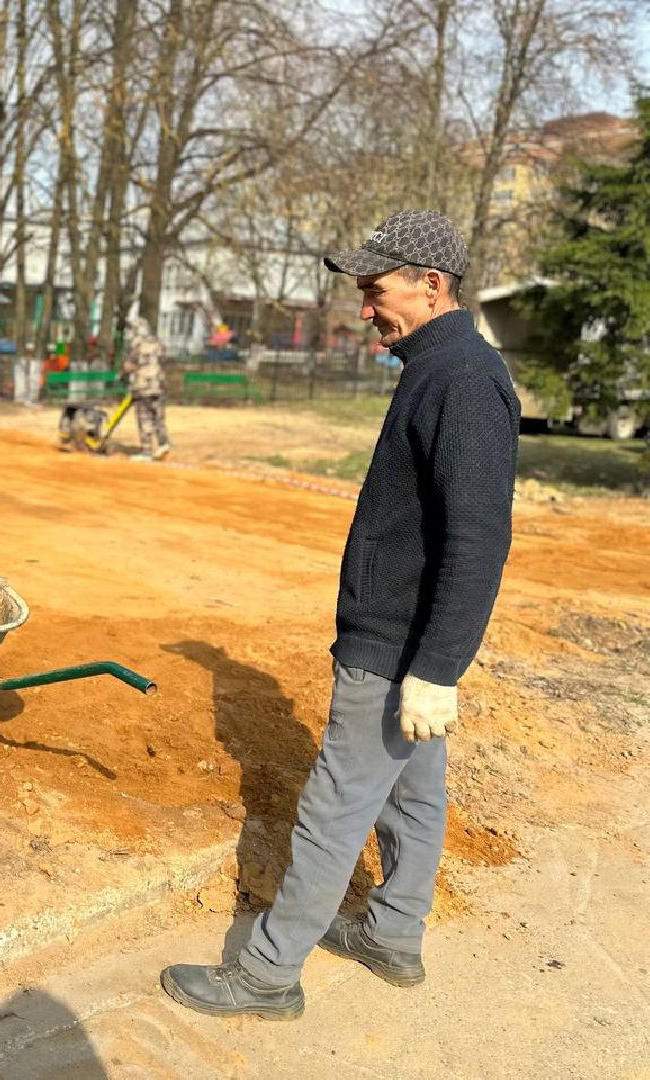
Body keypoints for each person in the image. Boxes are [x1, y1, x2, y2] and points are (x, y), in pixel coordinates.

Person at [160, 209, 519, 1019]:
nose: (364, 309)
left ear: (432, 286)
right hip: (408, 640)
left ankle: (265, 978)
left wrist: (435, 670)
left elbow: (478, 540)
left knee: (334, 807)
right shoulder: (436, 365)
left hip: (398, 649)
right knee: (413, 796)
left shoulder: (461, 378)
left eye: (375, 290)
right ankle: (393, 935)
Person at [121, 316, 171, 460]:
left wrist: (123, 373)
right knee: (159, 417)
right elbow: (164, 360)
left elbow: (128, 365)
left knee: (145, 418)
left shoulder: (137, 345)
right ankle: (163, 443)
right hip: (159, 386)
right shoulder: (159, 344)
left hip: (142, 387)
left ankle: (146, 451)